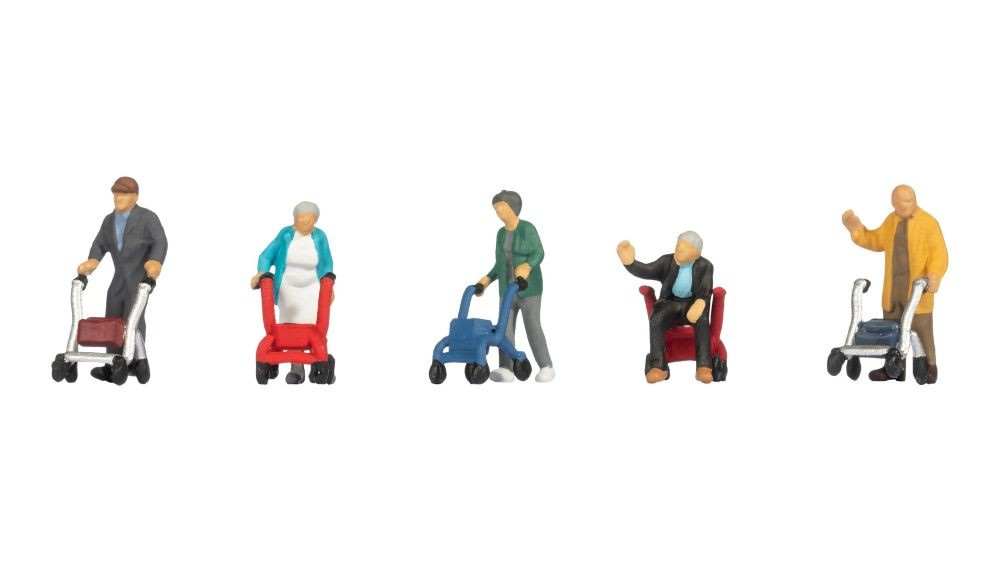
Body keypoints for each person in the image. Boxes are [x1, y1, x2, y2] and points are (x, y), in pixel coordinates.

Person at [842, 184, 948, 383]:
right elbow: (875, 240)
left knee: (922, 331)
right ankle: (893, 369)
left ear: (915, 200)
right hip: (893, 290)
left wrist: (934, 274)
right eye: (899, 203)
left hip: (918, 291)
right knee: (891, 331)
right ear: (892, 204)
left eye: (908, 201)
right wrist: (857, 231)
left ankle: (930, 367)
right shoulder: (891, 221)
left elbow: (938, 253)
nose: (904, 205)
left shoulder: (928, 222)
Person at [77, 176, 168, 382]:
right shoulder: (109, 221)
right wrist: (93, 260)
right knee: (112, 319)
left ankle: (136, 360)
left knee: (133, 319)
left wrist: (155, 262)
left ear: (135, 196)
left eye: (124, 194)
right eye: (116, 194)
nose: (119, 198)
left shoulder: (147, 218)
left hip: (139, 279)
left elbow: (160, 242)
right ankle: (112, 362)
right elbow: (100, 243)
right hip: (118, 279)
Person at [476, 190, 556, 383]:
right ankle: (506, 368)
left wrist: (528, 266)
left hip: (529, 289)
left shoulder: (527, 228)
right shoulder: (501, 234)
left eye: (500, 207)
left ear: (512, 207)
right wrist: (486, 280)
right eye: (495, 208)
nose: (497, 211)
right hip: (506, 290)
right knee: (504, 330)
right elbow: (499, 264)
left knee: (532, 326)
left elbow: (539, 252)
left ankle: (546, 366)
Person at [252, 201, 334, 384]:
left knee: (315, 328)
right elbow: (266, 255)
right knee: (289, 331)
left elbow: (327, 263)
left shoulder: (320, 237)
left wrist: (329, 287)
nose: (304, 222)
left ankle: (318, 363)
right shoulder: (286, 235)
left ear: (315, 220)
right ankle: (296, 368)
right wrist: (261, 272)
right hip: (288, 290)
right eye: (300, 218)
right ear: (294, 218)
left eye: (308, 219)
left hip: (312, 288)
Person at [618, 232, 714, 384]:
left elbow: (705, 289)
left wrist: (700, 302)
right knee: (656, 318)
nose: (679, 249)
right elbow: (647, 270)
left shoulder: (705, 266)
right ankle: (658, 367)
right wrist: (630, 263)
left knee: (702, 319)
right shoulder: (667, 261)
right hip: (670, 302)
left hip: (693, 304)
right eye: (678, 245)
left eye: (686, 247)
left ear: (696, 252)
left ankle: (704, 366)